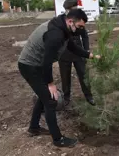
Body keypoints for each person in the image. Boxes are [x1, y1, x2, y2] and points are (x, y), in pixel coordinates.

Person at [17, 9, 100, 148]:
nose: (80, 30)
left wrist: (89, 55)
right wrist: (50, 83)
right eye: (79, 27)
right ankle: (58, 139)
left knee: (42, 97)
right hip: (29, 66)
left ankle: (34, 128)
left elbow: (72, 47)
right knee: (50, 100)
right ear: (70, 21)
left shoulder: (64, 27)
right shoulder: (55, 34)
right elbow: (47, 61)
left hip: (36, 65)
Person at [58, 0, 95, 106]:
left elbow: (84, 36)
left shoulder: (78, 18)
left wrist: (86, 50)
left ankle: (89, 96)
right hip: (64, 54)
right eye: (74, 8)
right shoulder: (61, 20)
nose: (76, 9)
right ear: (68, 9)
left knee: (84, 75)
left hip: (78, 52)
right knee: (65, 77)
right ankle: (66, 98)